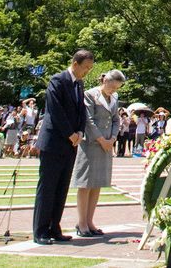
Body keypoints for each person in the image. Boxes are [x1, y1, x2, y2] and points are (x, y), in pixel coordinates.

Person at [33, 50, 94, 245]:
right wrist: (70, 133)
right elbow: (55, 110)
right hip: (53, 142)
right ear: (75, 64)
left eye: (90, 68)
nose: (87, 72)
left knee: (61, 188)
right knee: (48, 187)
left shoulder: (79, 84)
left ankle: (54, 227)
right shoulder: (57, 80)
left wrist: (80, 132)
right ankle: (41, 230)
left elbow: (81, 111)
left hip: (71, 144)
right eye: (85, 68)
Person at [72, 69, 124, 237]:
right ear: (105, 81)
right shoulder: (90, 94)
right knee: (85, 184)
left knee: (97, 183)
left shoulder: (114, 97)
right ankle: (81, 222)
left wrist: (113, 138)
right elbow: (88, 120)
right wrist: (102, 140)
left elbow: (116, 119)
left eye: (117, 88)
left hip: (107, 144)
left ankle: (90, 221)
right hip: (91, 144)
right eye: (112, 87)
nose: (113, 90)